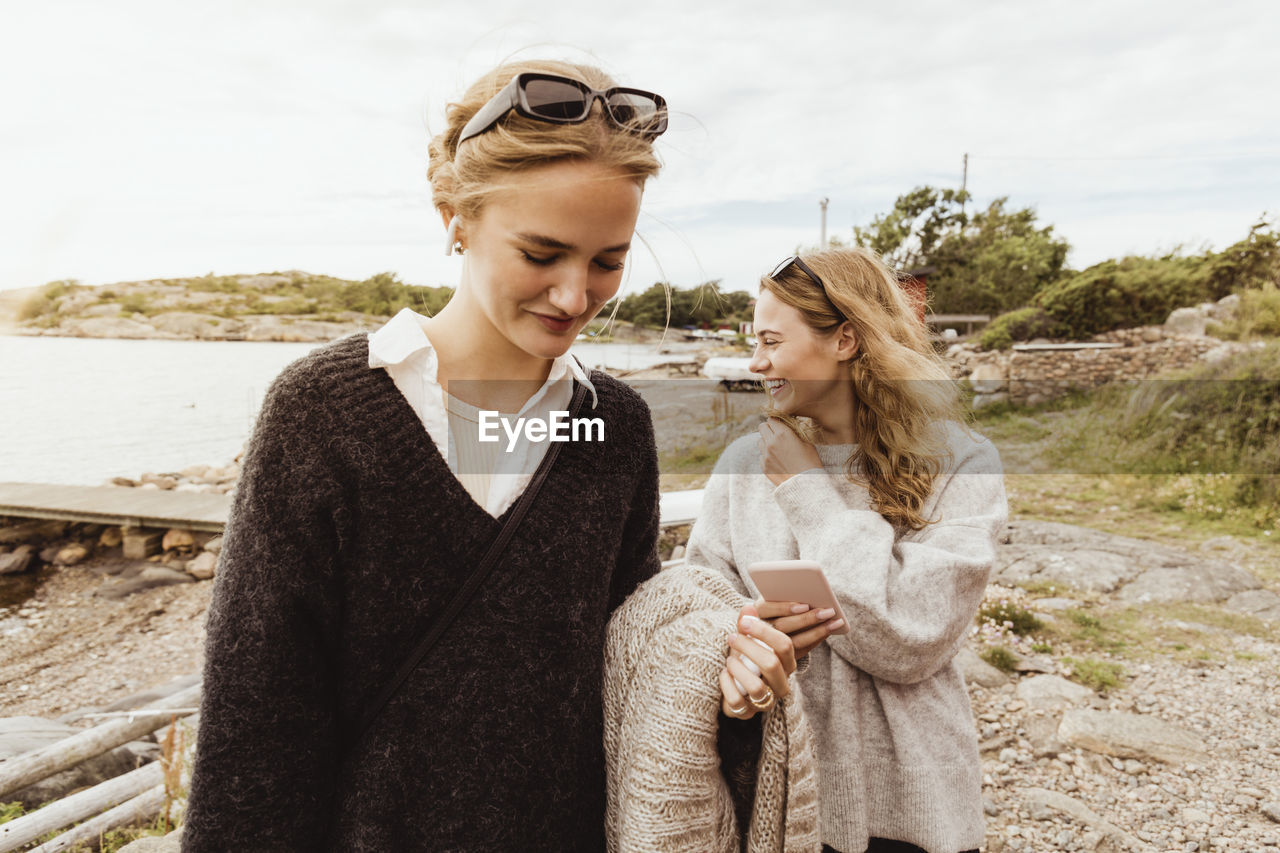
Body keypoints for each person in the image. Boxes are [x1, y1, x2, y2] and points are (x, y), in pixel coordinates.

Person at [182, 59, 668, 851]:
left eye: (608, 260)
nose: (576, 295)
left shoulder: (613, 429)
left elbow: (630, 660)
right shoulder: (323, 416)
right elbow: (255, 733)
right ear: (454, 216)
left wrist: (720, 651)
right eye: (542, 253)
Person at [684, 248, 1007, 853]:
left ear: (846, 340)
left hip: (912, 806)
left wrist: (808, 491)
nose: (756, 364)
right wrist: (745, 640)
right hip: (782, 792)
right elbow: (698, 610)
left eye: (772, 342)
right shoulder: (742, 467)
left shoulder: (962, 464)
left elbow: (912, 636)